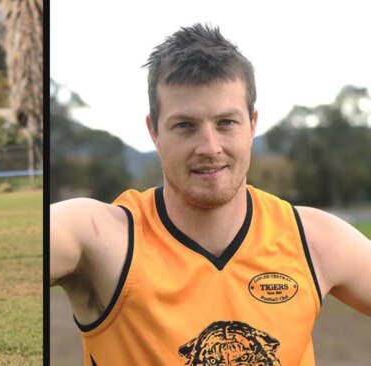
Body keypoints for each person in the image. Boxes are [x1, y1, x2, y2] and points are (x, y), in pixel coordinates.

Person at [50, 23, 371, 365]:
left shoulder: (313, 240)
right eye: (185, 125)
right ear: (154, 132)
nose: (210, 147)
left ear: (252, 124)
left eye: (226, 123)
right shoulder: (105, 240)